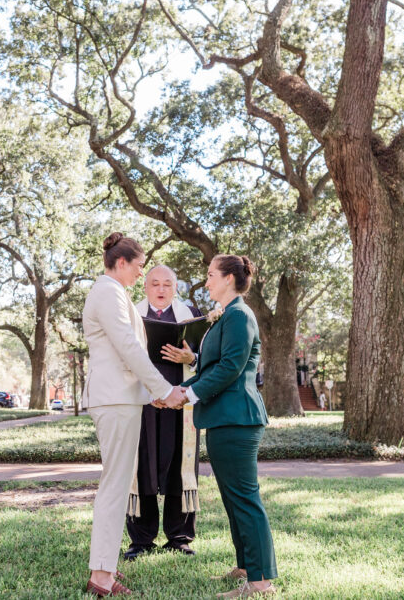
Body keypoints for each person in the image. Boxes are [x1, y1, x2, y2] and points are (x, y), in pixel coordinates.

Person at [81, 233, 188, 597]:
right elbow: (128, 348)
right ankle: (102, 576)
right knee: (114, 486)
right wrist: (164, 390)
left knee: (114, 484)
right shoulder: (108, 292)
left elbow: (125, 353)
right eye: (140, 267)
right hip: (113, 401)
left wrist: (149, 396)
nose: (141, 274)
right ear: (122, 262)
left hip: (123, 398)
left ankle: (103, 569)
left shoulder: (113, 292)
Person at [179, 254, 278, 598]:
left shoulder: (238, 315)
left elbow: (231, 368)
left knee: (245, 499)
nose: (206, 282)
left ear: (228, 279)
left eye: (210, 275)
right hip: (223, 418)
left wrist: (188, 395)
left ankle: (261, 583)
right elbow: (214, 362)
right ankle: (246, 567)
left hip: (237, 418)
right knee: (233, 498)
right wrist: (190, 366)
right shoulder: (225, 317)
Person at [123, 265, 202, 561]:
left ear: (176, 287)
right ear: (145, 286)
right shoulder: (131, 314)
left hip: (181, 404)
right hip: (142, 403)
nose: (160, 289)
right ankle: (141, 539)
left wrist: (191, 357)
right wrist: (151, 392)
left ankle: (179, 537)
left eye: (167, 284)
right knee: (141, 465)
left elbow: (209, 359)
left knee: (179, 467)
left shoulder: (191, 315)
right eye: (154, 283)